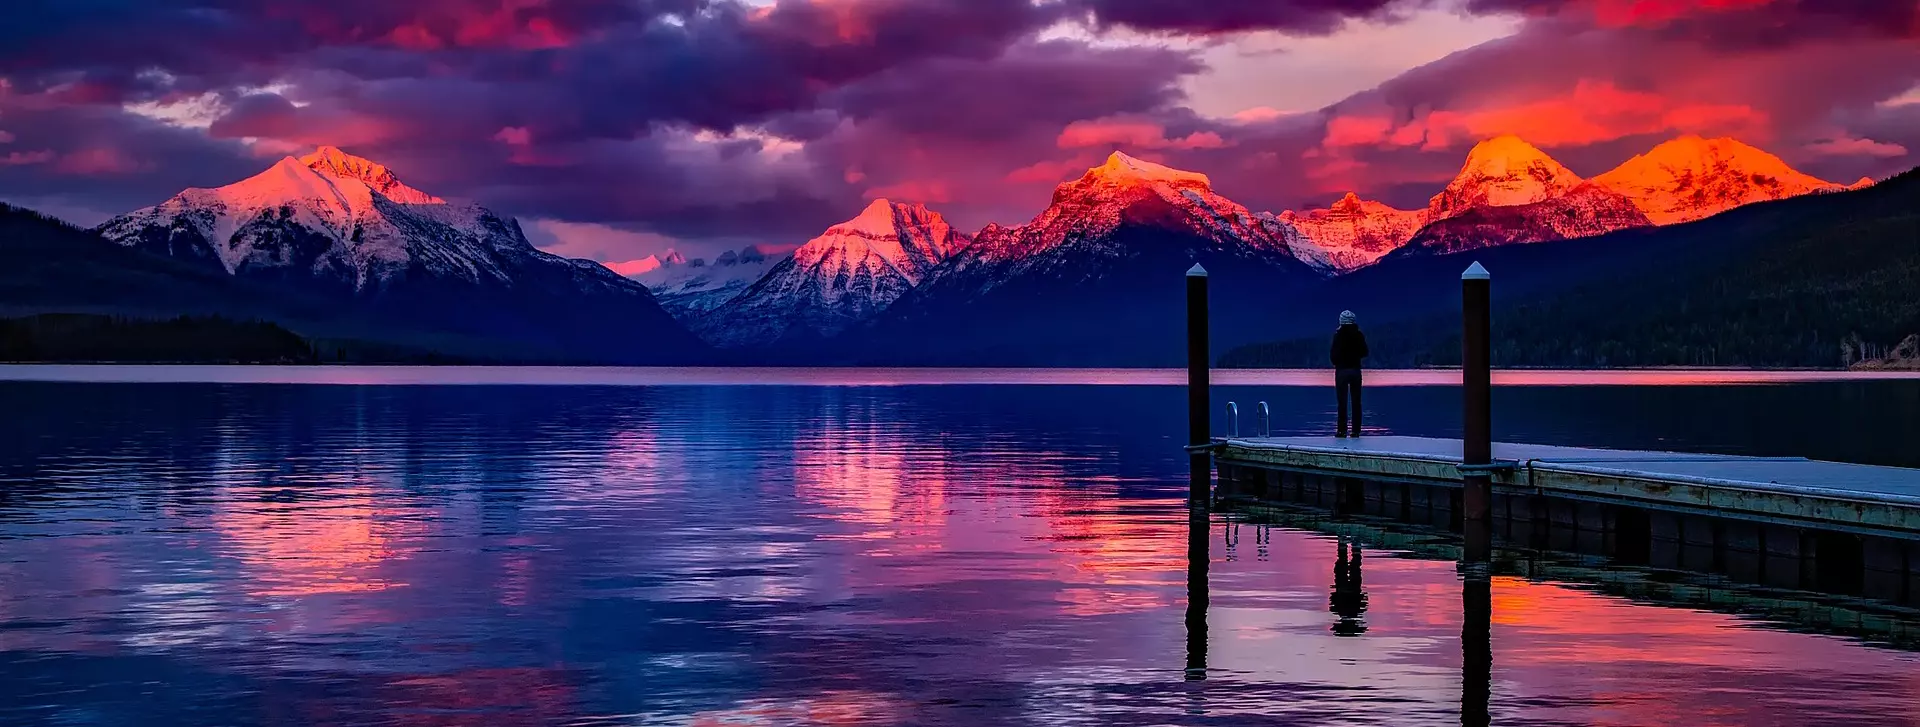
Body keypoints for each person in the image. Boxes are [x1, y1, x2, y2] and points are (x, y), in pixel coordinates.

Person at [1330, 310, 1368, 437]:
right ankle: (1356, 430)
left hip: (1341, 371)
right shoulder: (1359, 335)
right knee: (1356, 401)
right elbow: (1364, 352)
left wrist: (1339, 361)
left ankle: (1342, 430)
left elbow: (1333, 356)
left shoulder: (1338, 335)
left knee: (1342, 402)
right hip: (1355, 370)